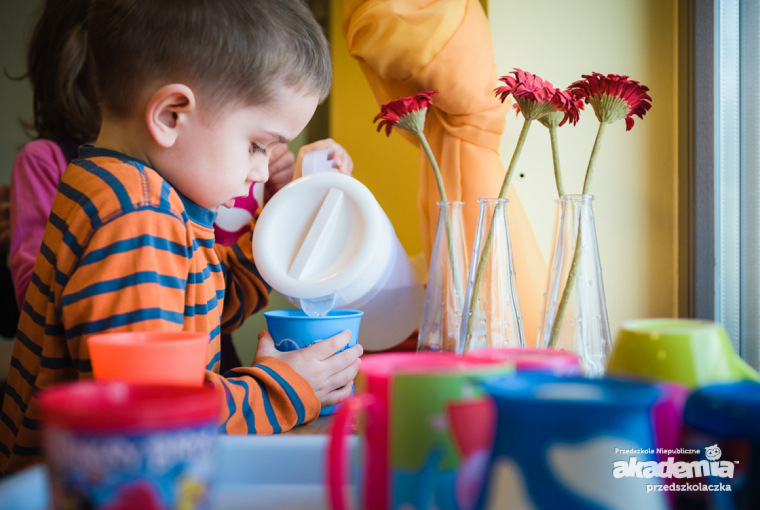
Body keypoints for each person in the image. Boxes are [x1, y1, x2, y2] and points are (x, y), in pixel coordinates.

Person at [0, 0, 362, 474]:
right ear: (171, 115)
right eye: (256, 144)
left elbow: (211, 301)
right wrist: (285, 389)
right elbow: (151, 416)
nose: (261, 167)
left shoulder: (144, 198)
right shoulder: (133, 217)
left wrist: (279, 226)